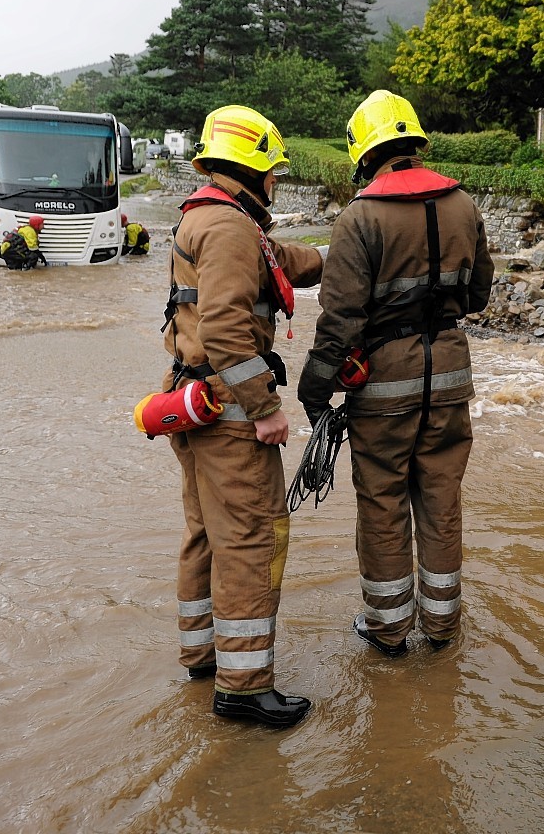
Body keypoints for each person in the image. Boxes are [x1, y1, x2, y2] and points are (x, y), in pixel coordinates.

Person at [297, 90, 493, 658]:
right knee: (441, 500)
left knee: (383, 505)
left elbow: (340, 319)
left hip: (382, 390)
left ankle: (387, 631)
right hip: (451, 380)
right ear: (413, 142)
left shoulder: (360, 216)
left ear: (366, 153)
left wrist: (314, 389)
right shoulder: (463, 204)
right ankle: (442, 628)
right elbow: (477, 295)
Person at [160, 104, 323, 729]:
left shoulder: (213, 218)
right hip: (231, 413)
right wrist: (266, 409)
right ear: (254, 170)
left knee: (205, 533)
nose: (277, 182)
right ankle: (246, 686)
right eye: (273, 171)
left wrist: (344, 252)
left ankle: (203, 653)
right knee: (251, 539)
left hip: (196, 406)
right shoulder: (230, 229)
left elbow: (281, 259)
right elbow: (228, 326)